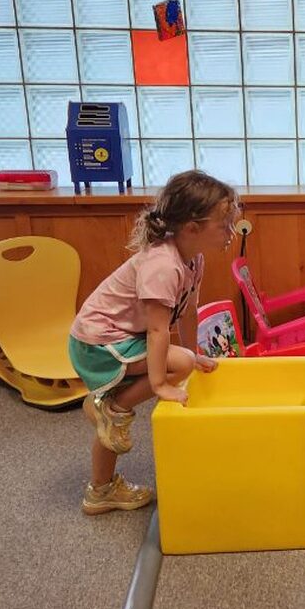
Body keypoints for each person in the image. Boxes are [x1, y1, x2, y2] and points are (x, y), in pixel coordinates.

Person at [68, 171, 239, 515]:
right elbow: (158, 331)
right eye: (224, 225)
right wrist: (161, 383)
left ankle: (100, 490)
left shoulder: (193, 258)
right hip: (99, 344)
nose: (231, 232)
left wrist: (195, 353)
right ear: (192, 228)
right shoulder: (163, 265)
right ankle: (110, 408)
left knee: (118, 419)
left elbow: (187, 312)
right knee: (171, 371)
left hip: (119, 337)